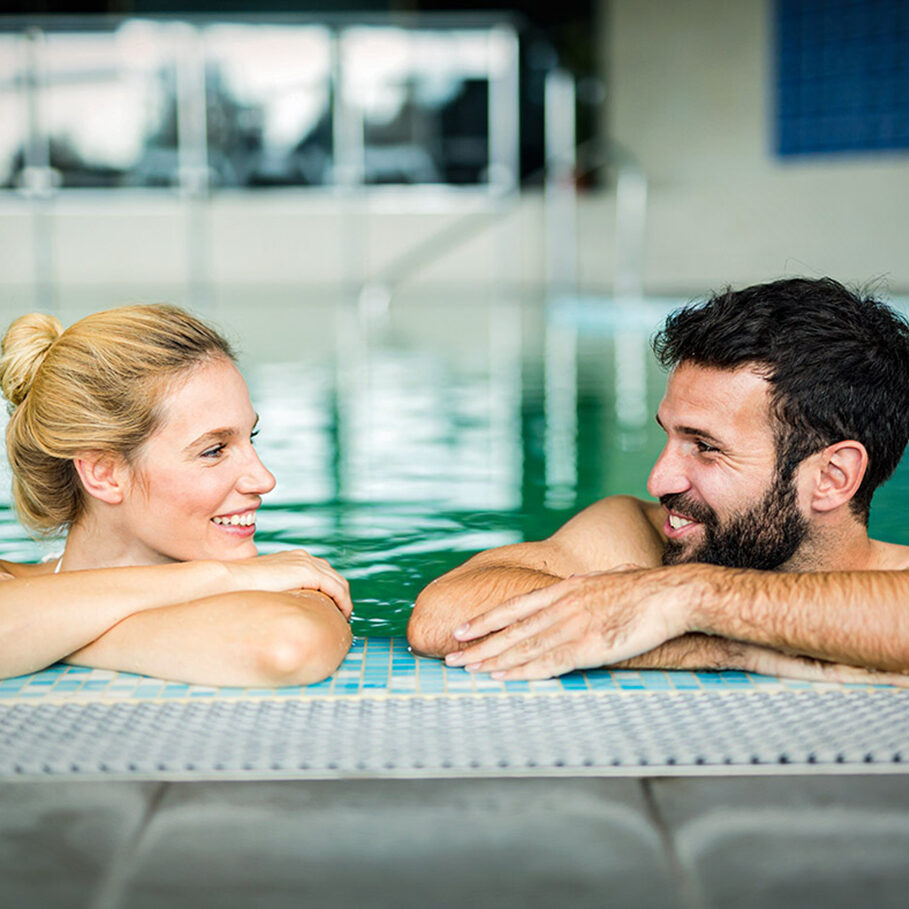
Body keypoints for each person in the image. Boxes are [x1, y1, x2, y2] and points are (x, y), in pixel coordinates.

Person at [408, 277, 909, 685]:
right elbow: (442, 614)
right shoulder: (643, 535)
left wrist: (689, 595)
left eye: (706, 448)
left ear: (832, 476)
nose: (658, 479)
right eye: (669, 436)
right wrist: (712, 642)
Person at [0, 304, 352, 685]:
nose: (263, 479)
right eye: (214, 450)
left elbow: (287, 646)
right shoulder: (256, 580)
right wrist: (224, 577)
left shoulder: (285, 582)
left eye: (250, 438)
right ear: (104, 474)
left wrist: (43, 638)